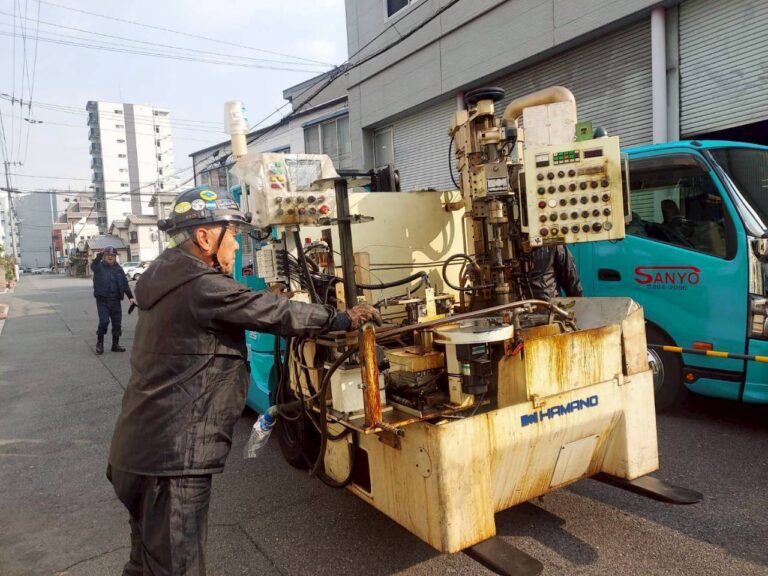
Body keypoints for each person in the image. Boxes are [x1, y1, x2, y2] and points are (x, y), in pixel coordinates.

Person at [107, 186, 379, 576]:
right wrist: (340, 318)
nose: (236, 245)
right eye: (231, 233)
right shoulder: (201, 285)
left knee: (147, 565)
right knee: (177, 569)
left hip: (138, 453)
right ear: (204, 237)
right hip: (171, 460)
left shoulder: (163, 277)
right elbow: (270, 309)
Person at [91, 246, 136, 355]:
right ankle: (99, 343)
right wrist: (99, 256)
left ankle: (115, 345)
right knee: (104, 321)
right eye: (108, 255)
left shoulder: (119, 269)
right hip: (102, 300)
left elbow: (125, 284)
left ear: (115, 257)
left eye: (112, 255)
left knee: (117, 324)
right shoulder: (99, 267)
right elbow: (93, 265)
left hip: (115, 301)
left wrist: (130, 297)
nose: (110, 257)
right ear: (104, 257)